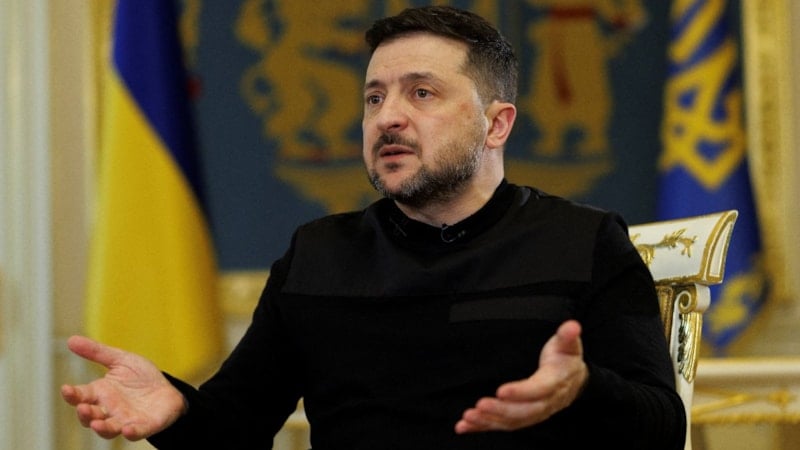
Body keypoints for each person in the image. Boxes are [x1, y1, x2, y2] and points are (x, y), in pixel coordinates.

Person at [61, 5, 686, 449]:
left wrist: (582, 390)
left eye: (421, 94)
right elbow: (234, 425)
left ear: (496, 124)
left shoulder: (582, 241)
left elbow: (662, 427)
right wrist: (175, 409)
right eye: (374, 97)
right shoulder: (319, 253)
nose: (388, 118)